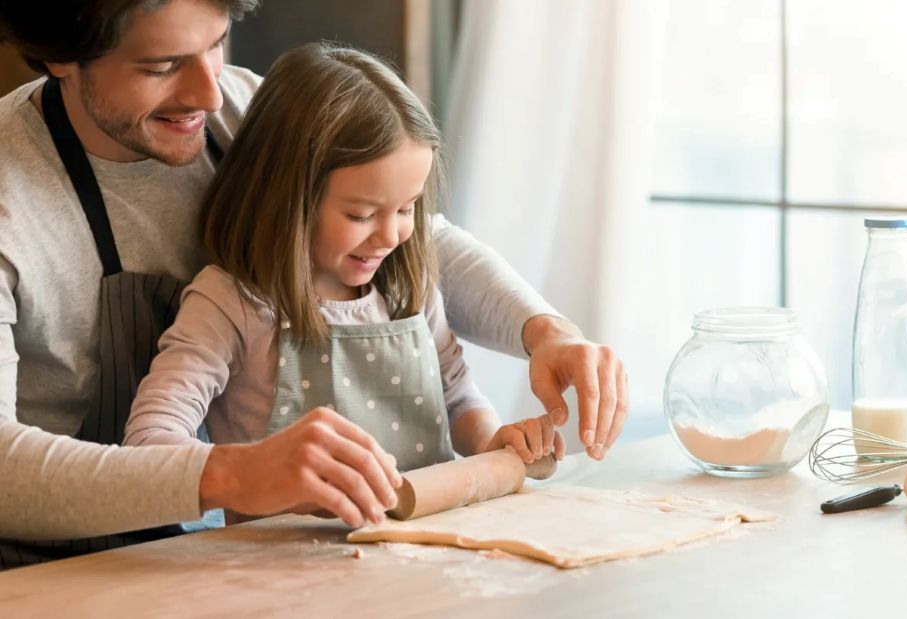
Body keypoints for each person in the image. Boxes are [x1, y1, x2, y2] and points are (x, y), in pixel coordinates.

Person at [0, 0, 627, 568]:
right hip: (49, 569)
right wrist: (240, 475)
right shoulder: (13, 199)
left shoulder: (241, 108)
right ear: (60, 56)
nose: (210, 94)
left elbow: (420, 243)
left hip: (196, 548)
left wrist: (544, 330)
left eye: (215, 44)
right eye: (161, 66)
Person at [124, 43, 565, 528]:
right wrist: (253, 475)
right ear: (286, 198)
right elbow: (150, 441)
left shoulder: (409, 286)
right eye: (361, 215)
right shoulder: (231, 302)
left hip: (424, 553)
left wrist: (492, 443)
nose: (391, 235)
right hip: (277, 566)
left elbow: (456, 397)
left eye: (407, 208)